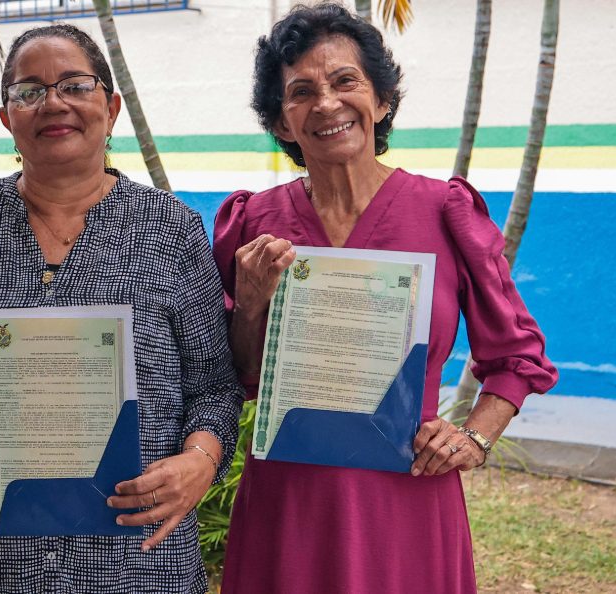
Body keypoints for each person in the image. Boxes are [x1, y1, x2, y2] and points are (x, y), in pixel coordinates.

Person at [0, 23, 243, 593]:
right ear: (7, 118)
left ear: (111, 108)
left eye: (75, 85)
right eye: (29, 91)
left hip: (138, 559)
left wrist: (199, 461)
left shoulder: (171, 230)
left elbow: (214, 385)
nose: (53, 103)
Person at [213, 4, 559, 593]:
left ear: (381, 100)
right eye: (301, 92)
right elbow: (238, 375)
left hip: (408, 494)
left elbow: (517, 356)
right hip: (289, 501)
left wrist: (474, 437)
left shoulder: (443, 211)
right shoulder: (253, 224)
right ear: (281, 123)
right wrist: (251, 304)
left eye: (345, 81)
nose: (327, 103)